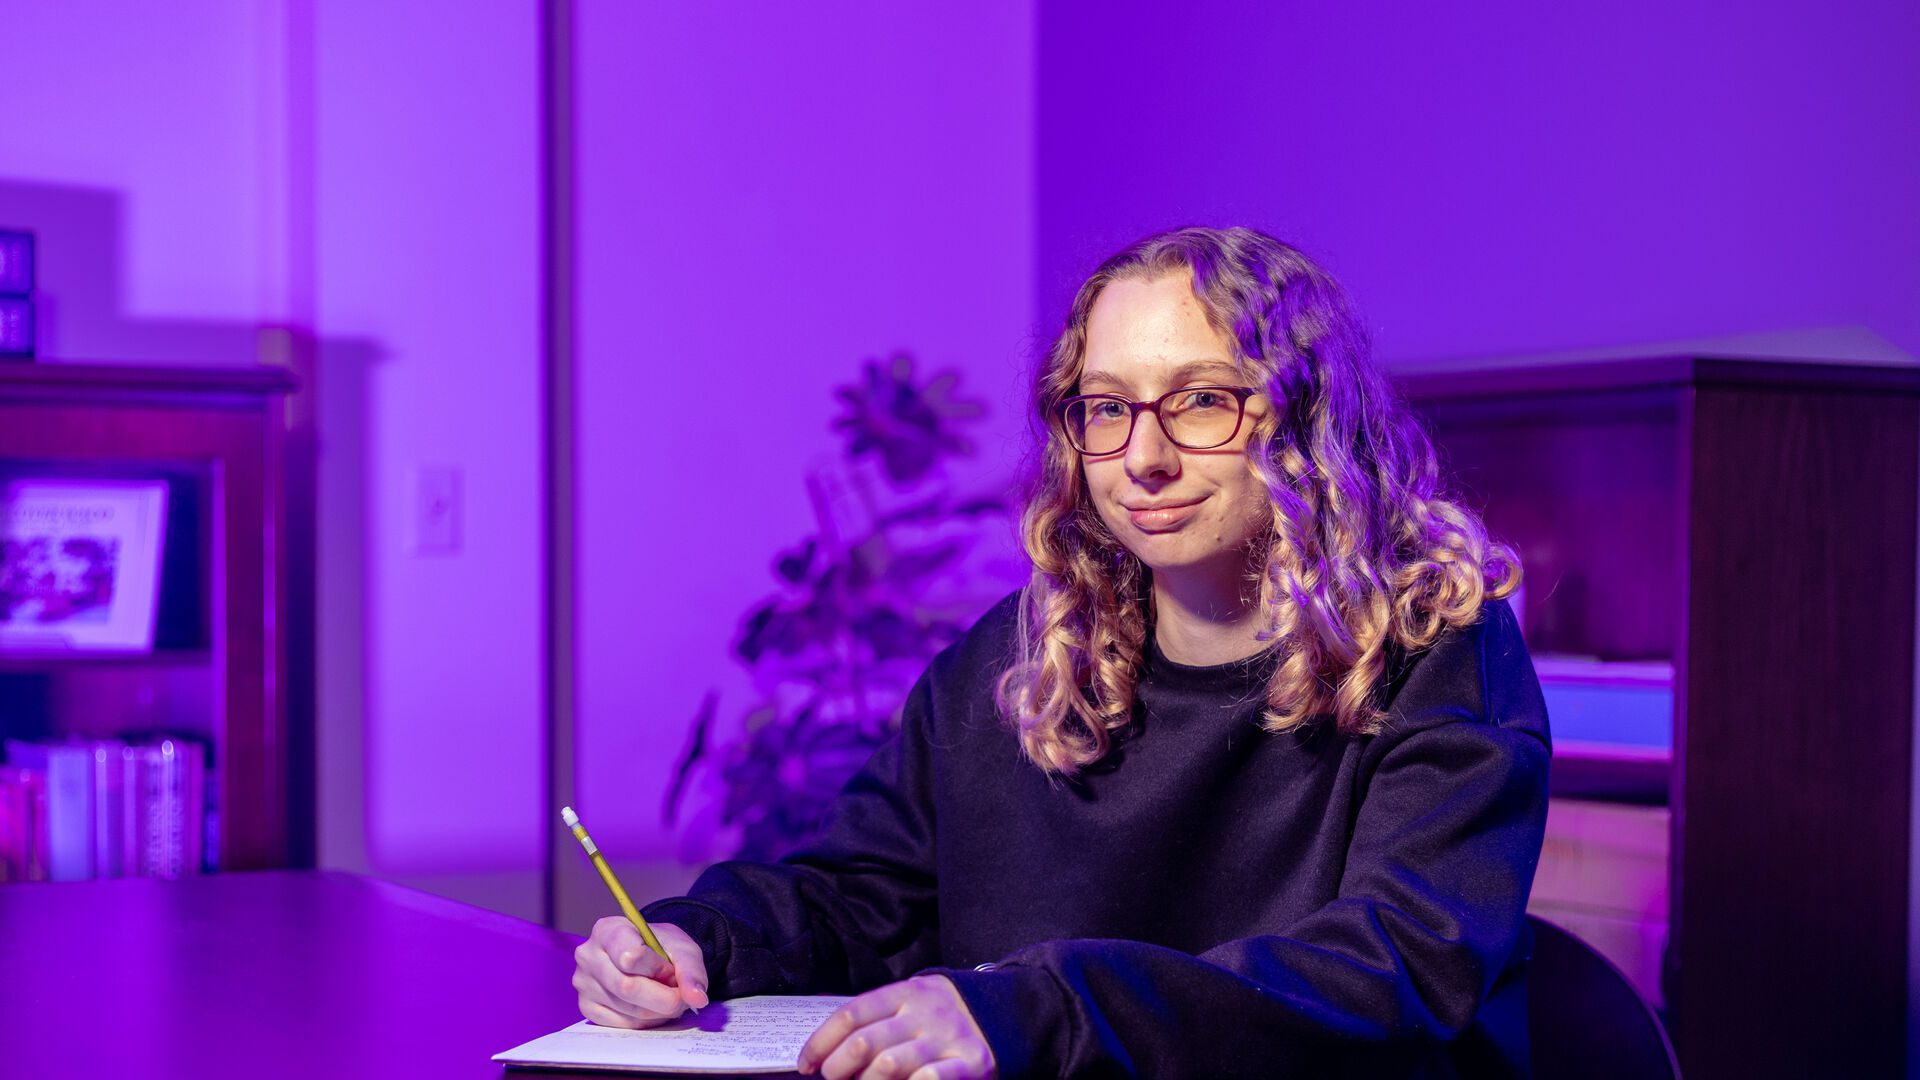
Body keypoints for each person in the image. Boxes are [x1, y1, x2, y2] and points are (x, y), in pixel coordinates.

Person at [571, 226, 1550, 1079]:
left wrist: (1037, 1012)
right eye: (1106, 407)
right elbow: (865, 892)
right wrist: (700, 939)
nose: (1144, 457)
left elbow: (1397, 969)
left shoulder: (1438, 648)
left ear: (1306, 418)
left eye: (1204, 401)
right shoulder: (1019, 655)